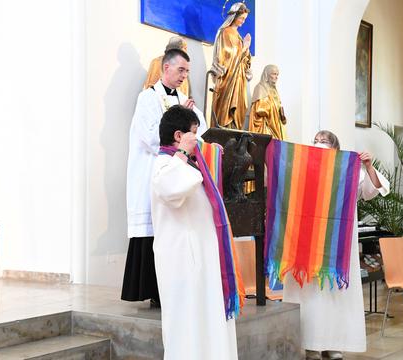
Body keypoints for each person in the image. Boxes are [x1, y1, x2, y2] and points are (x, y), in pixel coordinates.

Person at [282, 130, 390, 360]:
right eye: (316, 141)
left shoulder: (348, 170)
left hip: (338, 244)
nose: (319, 144)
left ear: (335, 148)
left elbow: (374, 190)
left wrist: (368, 165)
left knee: (334, 294)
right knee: (309, 293)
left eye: (325, 142)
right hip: (308, 242)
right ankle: (310, 344)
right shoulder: (304, 169)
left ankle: (333, 344)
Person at [151, 105, 238, 359]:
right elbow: (167, 188)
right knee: (188, 327)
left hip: (203, 260)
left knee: (208, 326)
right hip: (183, 262)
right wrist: (182, 153)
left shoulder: (186, 163)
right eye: (194, 133)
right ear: (179, 136)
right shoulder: (163, 163)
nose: (199, 140)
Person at [122, 48, 207, 307]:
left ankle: (176, 289)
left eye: (187, 72)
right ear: (165, 68)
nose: (184, 76)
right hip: (153, 172)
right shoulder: (147, 98)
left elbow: (200, 134)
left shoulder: (185, 100)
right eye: (180, 70)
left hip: (180, 175)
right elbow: (149, 137)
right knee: (153, 232)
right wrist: (176, 117)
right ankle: (154, 292)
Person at [209, 2, 252, 129]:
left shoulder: (238, 36)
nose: (243, 22)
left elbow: (244, 60)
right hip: (228, 79)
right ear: (234, 16)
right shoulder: (226, 32)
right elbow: (226, 56)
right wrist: (244, 48)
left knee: (240, 107)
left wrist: (246, 51)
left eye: (245, 19)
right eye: (241, 18)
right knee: (226, 111)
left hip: (239, 80)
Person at [248, 64, 286, 139]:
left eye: (277, 75)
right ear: (266, 74)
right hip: (265, 128)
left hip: (276, 127)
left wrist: (282, 115)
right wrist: (272, 108)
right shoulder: (260, 88)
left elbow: (277, 108)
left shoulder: (274, 91)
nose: (276, 77)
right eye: (274, 74)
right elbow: (259, 109)